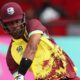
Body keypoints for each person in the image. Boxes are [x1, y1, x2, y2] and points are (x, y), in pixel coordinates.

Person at [0, 2, 80, 80]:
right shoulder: (10, 56)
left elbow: (32, 48)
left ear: (23, 19)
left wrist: (21, 73)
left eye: (17, 21)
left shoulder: (33, 25)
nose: (15, 26)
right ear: (4, 25)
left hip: (69, 77)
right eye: (10, 23)